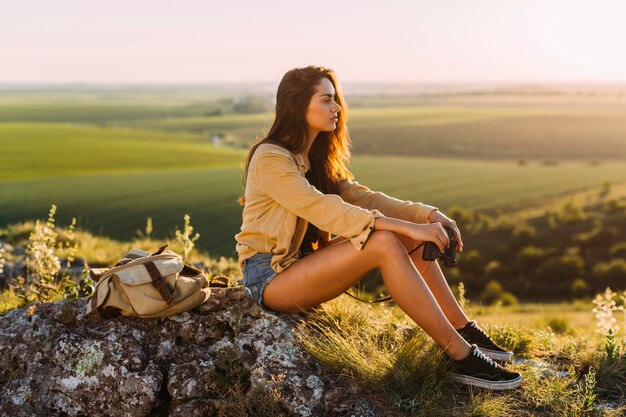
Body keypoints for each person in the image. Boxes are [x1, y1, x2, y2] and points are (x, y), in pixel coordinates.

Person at [235, 66, 522, 391]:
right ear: (298, 106)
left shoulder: (314, 157)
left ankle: (463, 329)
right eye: (327, 100)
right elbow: (323, 208)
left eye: (336, 100)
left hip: (301, 267)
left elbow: (362, 197)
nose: (337, 108)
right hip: (269, 278)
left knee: (398, 235)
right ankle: (458, 355)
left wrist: (426, 216)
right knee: (385, 241)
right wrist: (410, 228)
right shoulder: (271, 158)